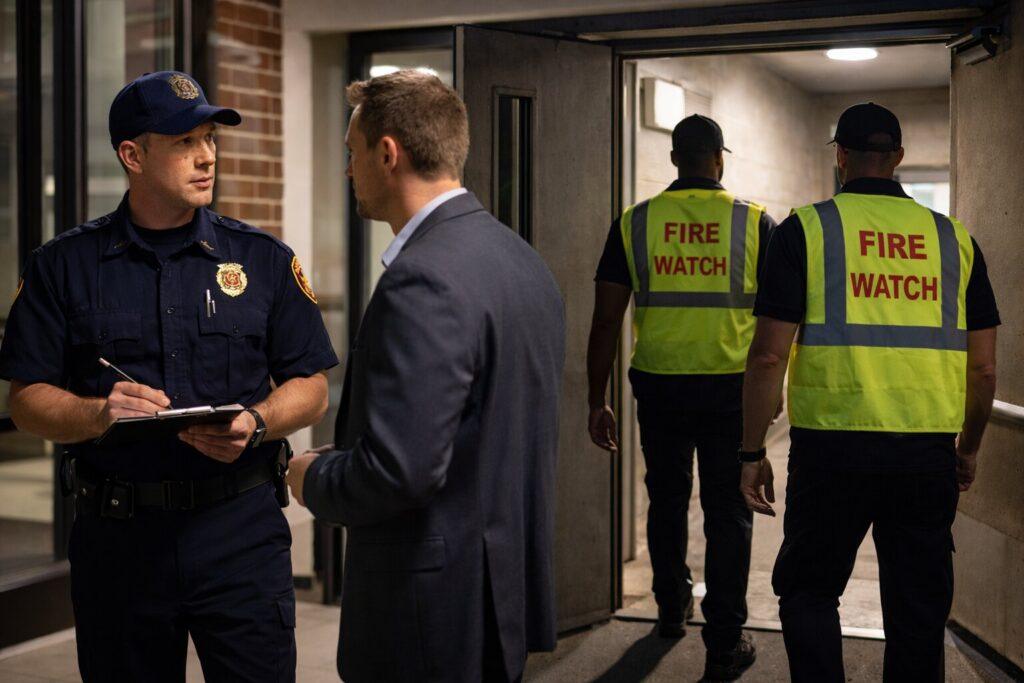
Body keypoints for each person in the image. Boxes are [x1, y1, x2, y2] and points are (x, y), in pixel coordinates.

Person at [0, 71, 338, 681]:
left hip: (240, 533)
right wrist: (97, 413)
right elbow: (26, 400)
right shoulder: (63, 267)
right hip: (119, 537)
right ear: (132, 154)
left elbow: (311, 385)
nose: (207, 155)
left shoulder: (263, 259)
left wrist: (258, 422)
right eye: (184, 141)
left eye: (210, 138)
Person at [285, 70, 566, 683]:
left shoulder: (423, 279)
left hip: (431, 616)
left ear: (388, 154)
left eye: (350, 154)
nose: (347, 171)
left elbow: (400, 472)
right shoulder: (521, 260)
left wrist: (310, 476)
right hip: (494, 594)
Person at [739, 102, 1000, 682]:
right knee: (916, 609)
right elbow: (983, 372)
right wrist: (968, 449)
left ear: (841, 157)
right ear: (899, 159)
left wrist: (751, 451)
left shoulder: (805, 230)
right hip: (924, 453)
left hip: (832, 453)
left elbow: (766, 355)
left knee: (808, 590)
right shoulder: (954, 239)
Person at [586, 114, 774, 679]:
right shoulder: (756, 224)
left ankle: (670, 609)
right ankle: (723, 638)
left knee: (666, 498)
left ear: (674, 159)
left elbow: (604, 321)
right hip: (730, 391)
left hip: (660, 386)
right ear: (719, 158)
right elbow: (777, 325)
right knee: (727, 509)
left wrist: (596, 400)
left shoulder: (636, 222)